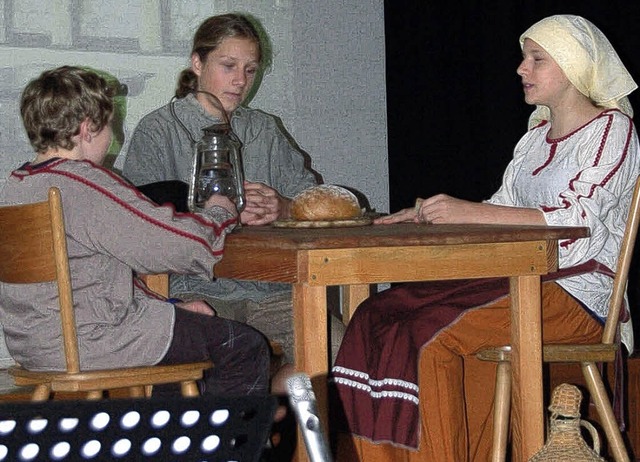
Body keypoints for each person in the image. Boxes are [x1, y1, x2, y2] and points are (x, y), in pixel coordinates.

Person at [331, 15, 640, 461]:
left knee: (430, 336)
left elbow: (579, 226)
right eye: (524, 58)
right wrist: (427, 217)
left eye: (537, 59)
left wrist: (468, 210)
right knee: (377, 314)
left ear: (574, 67)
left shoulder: (612, 130)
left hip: (576, 296)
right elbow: (500, 213)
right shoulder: (534, 138)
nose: (521, 68)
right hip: (517, 283)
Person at [0, 65, 271, 398]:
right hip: (96, 341)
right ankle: (216, 448)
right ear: (87, 129)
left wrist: (169, 307)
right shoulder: (84, 184)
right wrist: (219, 212)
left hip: (36, 347)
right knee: (244, 346)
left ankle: (175, 444)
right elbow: (175, 245)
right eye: (111, 126)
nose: (114, 137)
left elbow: (88, 281)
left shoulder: (14, 188)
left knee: (178, 351)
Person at [121, 13, 344, 365]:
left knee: (340, 352)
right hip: (198, 289)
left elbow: (311, 201)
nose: (241, 80)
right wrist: (209, 212)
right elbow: (141, 228)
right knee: (221, 363)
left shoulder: (265, 129)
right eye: (229, 66)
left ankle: (279, 412)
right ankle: (253, 412)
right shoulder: (158, 130)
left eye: (251, 70)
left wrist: (284, 208)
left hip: (273, 291)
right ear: (197, 62)